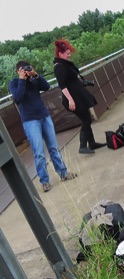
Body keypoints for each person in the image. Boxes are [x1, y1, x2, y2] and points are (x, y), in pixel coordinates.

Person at [8, 61, 77, 192]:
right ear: (18, 71)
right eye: (24, 69)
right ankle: (44, 181)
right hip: (30, 121)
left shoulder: (34, 80)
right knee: (39, 152)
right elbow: (18, 98)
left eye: (28, 68)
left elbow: (46, 87)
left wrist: (36, 75)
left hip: (44, 117)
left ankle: (63, 173)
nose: (27, 71)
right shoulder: (14, 83)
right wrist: (22, 80)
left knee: (53, 147)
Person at [53, 39, 105, 154]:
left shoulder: (65, 64)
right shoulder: (59, 67)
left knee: (86, 118)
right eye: (67, 53)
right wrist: (71, 100)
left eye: (69, 52)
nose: (69, 55)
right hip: (73, 99)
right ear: (60, 54)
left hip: (78, 96)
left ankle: (91, 143)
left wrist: (85, 83)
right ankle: (82, 146)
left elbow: (73, 81)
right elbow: (63, 86)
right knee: (86, 119)